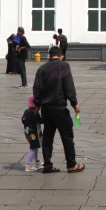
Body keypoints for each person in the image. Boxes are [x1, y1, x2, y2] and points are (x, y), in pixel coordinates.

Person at [32, 45, 83, 173]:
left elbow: (36, 89)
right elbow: (68, 86)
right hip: (60, 108)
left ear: (49, 56)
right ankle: (71, 165)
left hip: (47, 109)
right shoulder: (64, 66)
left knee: (48, 138)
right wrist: (74, 103)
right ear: (61, 56)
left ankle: (48, 165)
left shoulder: (42, 69)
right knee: (67, 138)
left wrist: (37, 106)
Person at [22, 94, 42, 171]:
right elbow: (40, 121)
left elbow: (23, 120)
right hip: (35, 134)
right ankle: (28, 165)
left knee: (35, 147)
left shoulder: (26, 111)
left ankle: (38, 162)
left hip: (28, 134)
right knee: (33, 149)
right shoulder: (35, 113)